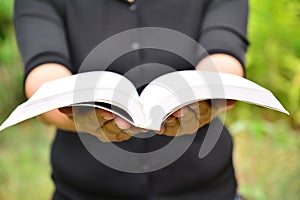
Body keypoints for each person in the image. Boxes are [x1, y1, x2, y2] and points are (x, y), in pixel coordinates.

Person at [14, 0, 248, 199]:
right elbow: (44, 74)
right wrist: (80, 115)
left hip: (205, 188)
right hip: (86, 191)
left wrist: (206, 95)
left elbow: (223, 54)